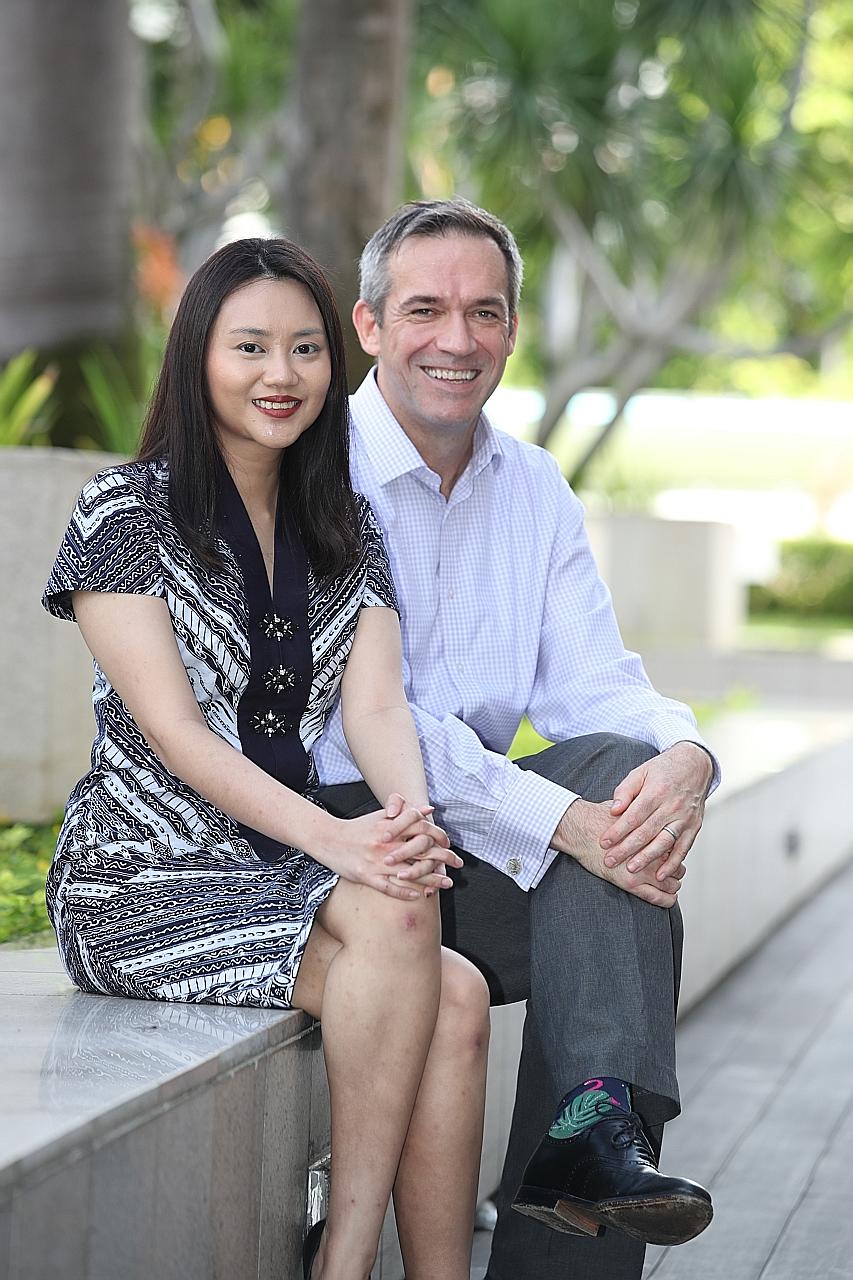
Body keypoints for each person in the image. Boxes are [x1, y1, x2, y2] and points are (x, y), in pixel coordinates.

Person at [41, 237, 492, 1280]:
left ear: (336, 367)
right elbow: (177, 733)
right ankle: (343, 1257)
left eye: (304, 348)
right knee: (411, 934)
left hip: (269, 870)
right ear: (199, 357)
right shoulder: (125, 513)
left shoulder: (343, 520)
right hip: (138, 876)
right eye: (250, 346)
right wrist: (346, 840)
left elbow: (377, 703)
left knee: (452, 988)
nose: (279, 374)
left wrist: (406, 822)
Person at [314, 199, 718, 1280]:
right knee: (606, 846)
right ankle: (588, 1150)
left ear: (511, 329)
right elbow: (385, 719)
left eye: (484, 312)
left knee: (628, 792)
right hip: (343, 850)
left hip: (475, 850)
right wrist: (566, 822)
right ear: (367, 323)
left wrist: (688, 759)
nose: (457, 338)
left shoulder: (530, 486)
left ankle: (590, 1135)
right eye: (425, 309)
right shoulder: (313, 471)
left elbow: (597, 688)